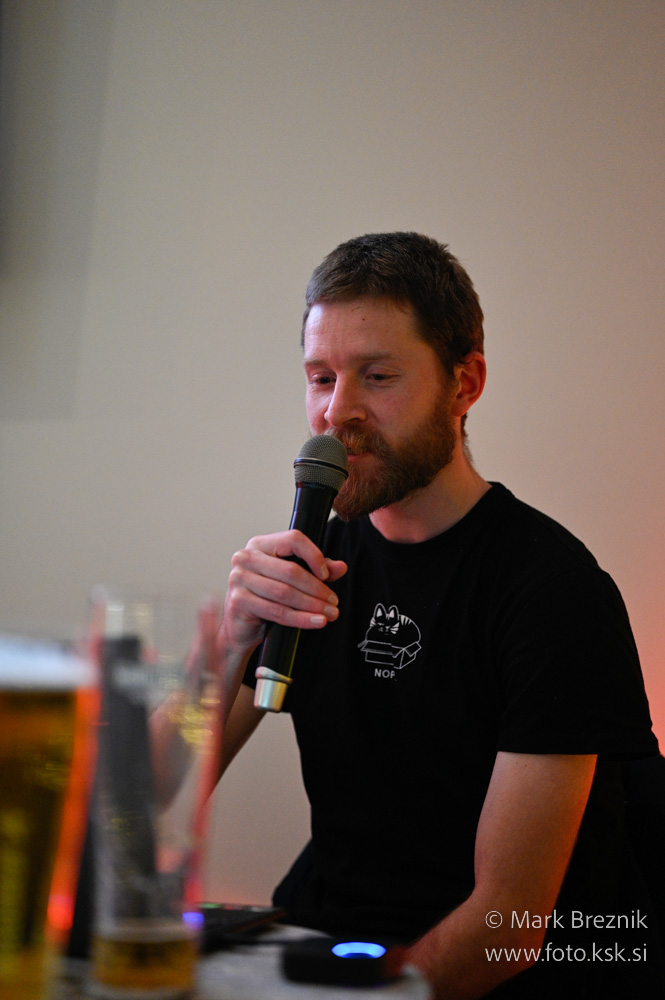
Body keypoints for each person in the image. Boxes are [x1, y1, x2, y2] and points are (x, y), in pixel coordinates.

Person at [216, 232, 660, 999]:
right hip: (323, 947)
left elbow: (507, 926)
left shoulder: (551, 590)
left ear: (464, 383)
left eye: (377, 375)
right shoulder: (307, 566)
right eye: (320, 378)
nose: (336, 412)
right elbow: (145, 805)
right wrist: (225, 648)